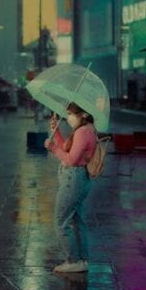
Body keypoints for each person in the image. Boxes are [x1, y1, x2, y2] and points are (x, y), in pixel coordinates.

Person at [44, 103, 97, 274]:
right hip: (77, 179)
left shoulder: (82, 132)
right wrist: (56, 133)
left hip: (73, 178)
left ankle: (73, 260)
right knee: (76, 220)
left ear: (83, 114)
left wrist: (52, 148)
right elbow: (66, 147)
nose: (68, 117)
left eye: (70, 114)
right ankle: (82, 260)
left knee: (61, 221)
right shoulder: (86, 129)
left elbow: (71, 159)